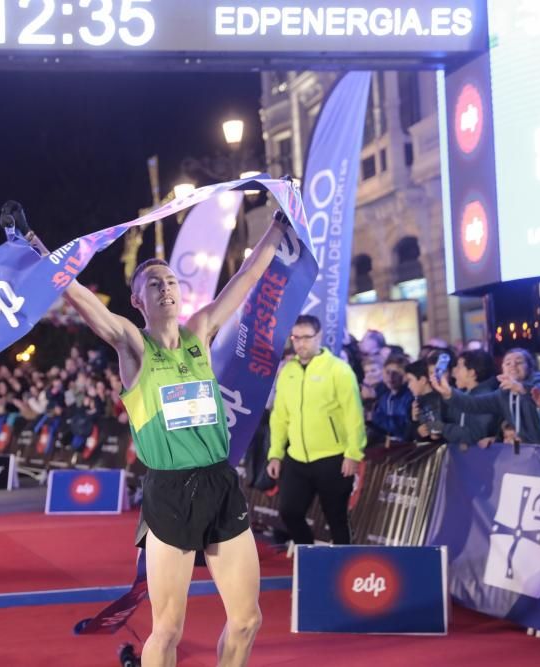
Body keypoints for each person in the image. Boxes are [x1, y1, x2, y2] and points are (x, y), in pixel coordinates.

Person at [56, 207, 289, 667]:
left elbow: (244, 278)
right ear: (138, 300)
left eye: (171, 281)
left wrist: (279, 226)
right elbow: (84, 302)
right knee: (168, 630)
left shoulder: (198, 333)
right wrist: (37, 251)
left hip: (220, 484)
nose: (166, 288)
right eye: (154, 284)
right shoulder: (133, 344)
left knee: (247, 620)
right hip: (169, 492)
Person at [266, 315, 366, 548]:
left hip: (333, 457)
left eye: (306, 337)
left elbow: (354, 414)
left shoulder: (339, 370)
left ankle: (344, 568)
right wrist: (275, 453)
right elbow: (280, 416)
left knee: (337, 519)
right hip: (296, 458)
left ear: (318, 337)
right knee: (289, 512)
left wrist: (353, 452)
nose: (300, 343)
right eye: (296, 338)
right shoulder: (288, 372)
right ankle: (308, 556)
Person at [430, 348, 540, 446]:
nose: (512, 366)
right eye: (507, 363)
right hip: (523, 452)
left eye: (519, 362)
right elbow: (473, 404)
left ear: (530, 367)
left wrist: (521, 388)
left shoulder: (539, 381)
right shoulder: (503, 393)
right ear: (502, 369)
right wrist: (449, 393)